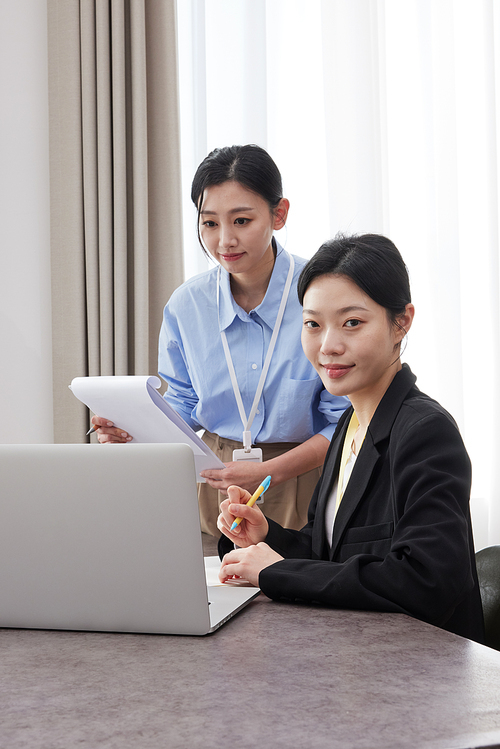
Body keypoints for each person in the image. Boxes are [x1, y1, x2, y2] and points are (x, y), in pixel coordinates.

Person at [217, 233, 484, 642]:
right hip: (351, 658)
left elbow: (426, 580)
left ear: (402, 322)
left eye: (352, 323)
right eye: (312, 324)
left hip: (419, 673)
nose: (328, 346)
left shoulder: (425, 431)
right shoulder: (351, 423)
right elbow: (328, 554)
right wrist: (267, 537)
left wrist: (275, 571)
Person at [92, 145, 348, 535]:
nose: (225, 240)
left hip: (305, 477)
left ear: (278, 215)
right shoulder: (187, 305)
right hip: (216, 480)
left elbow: (345, 422)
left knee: (291, 590)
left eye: (241, 220)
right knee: (213, 591)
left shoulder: (319, 295)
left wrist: (267, 473)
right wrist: (134, 431)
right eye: (209, 224)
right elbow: (184, 403)